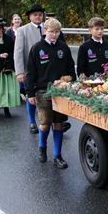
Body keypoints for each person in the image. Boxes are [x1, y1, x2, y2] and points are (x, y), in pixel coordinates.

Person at [26, 18, 76, 169]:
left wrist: (70, 81)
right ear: (44, 31)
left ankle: (57, 156)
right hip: (43, 90)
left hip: (60, 91)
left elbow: (70, 69)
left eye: (57, 32)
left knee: (59, 123)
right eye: (51, 32)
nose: (54, 35)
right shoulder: (37, 48)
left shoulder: (63, 48)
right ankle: (42, 147)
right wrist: (30, 94)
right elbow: (31, 73)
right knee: (45, 123)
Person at [14, 3, 46, 134]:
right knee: (31, 96)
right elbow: (18, 51)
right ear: (30, 17)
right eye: (35, 15)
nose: (38, 17)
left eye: (40, 14)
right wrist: (20, 71)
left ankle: (52, 120)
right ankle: (32, 121)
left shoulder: (47, 28)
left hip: (47, 69)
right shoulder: (23, 30)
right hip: (30, 70)